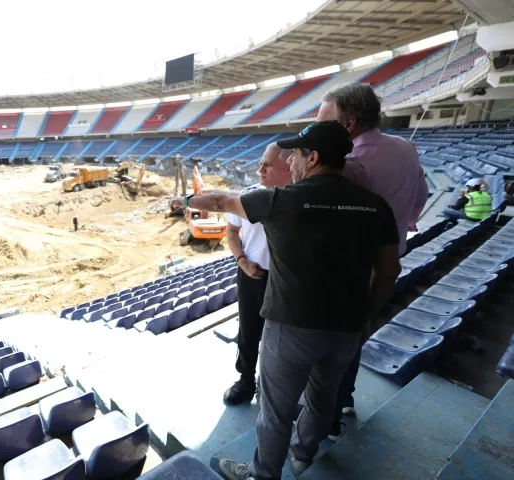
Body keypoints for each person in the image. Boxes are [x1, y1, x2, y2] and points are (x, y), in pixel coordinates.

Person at [170, 121, 400, 480]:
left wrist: (182, 200)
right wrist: (367, 316)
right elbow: (388, 271)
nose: (290, 162)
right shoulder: (376, 207)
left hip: (290, 327)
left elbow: (218, 200)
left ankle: (262, 475)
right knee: (323, 400)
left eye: (294, 154)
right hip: (346, 327)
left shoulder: (281, 201)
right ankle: (304, 455)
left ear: (313, 157)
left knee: (276, 411)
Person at [316, 82, 428, 437]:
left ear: (347, 124)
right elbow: (422, 195)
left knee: (334, 343)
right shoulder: (406, 148)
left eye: (324, 120)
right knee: (357, 333)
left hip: (353, 266)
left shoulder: (351, 165)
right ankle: (344, 398)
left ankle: (327, 419)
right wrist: (403, 223)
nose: (319, 128)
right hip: (390, 257)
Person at [223, 143, 292, 405]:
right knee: (249, 331)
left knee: (284, 337)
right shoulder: (248, 198)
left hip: (287, 282)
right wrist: (242, 261)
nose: (259, 168)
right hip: (253, 277)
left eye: (267, 164)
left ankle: (273, 384)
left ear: (288, 166)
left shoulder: (300, 201)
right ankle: (246, 380)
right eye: (261, 163)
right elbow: (231, 232)